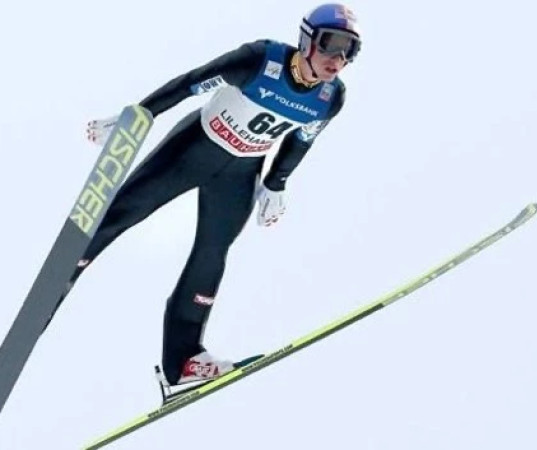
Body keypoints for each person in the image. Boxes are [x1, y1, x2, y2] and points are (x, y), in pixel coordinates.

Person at [60, 3, 361, 386]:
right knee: (123, 213)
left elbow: (301, 140)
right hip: (193, 150)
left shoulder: (330, 98)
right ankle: (60, 279)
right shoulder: (259, 60)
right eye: (331, 44)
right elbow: (190, 83)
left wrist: (276, 182)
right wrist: (139, 115)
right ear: (307, 40)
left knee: (212, 254)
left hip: (240, 174)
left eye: (349, 50)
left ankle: (184, 360)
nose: (338, 59)